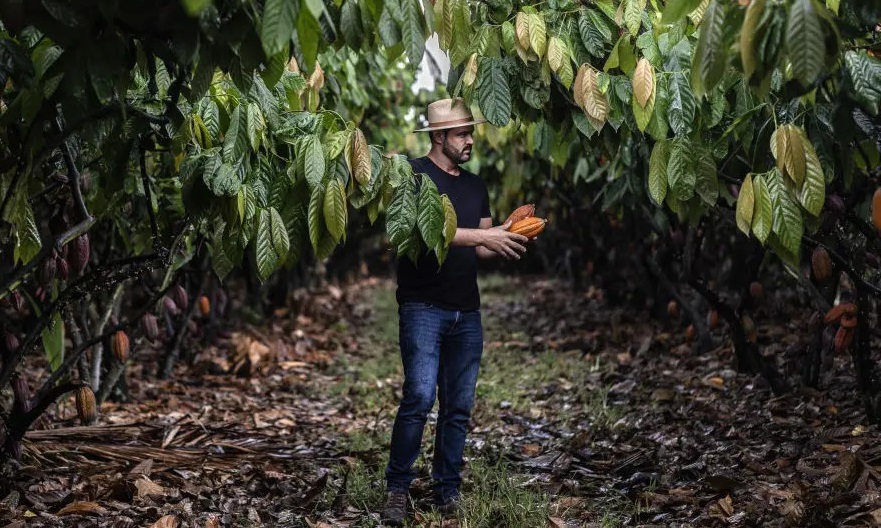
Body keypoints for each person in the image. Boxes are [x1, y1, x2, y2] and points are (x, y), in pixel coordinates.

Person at [381, 98, 530, 525]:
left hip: (467, 311)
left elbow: (481, 246)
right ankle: (397, 490)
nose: (469, 140)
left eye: (470, 133)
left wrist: (508, 235)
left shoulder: (476, 186)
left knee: (458, 406)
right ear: (439, 137)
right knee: (418, 397)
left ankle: (446, 489)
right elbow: (421, 231)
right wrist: (484, 236)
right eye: (462, 134)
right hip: (422, 306)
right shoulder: (412, 176)